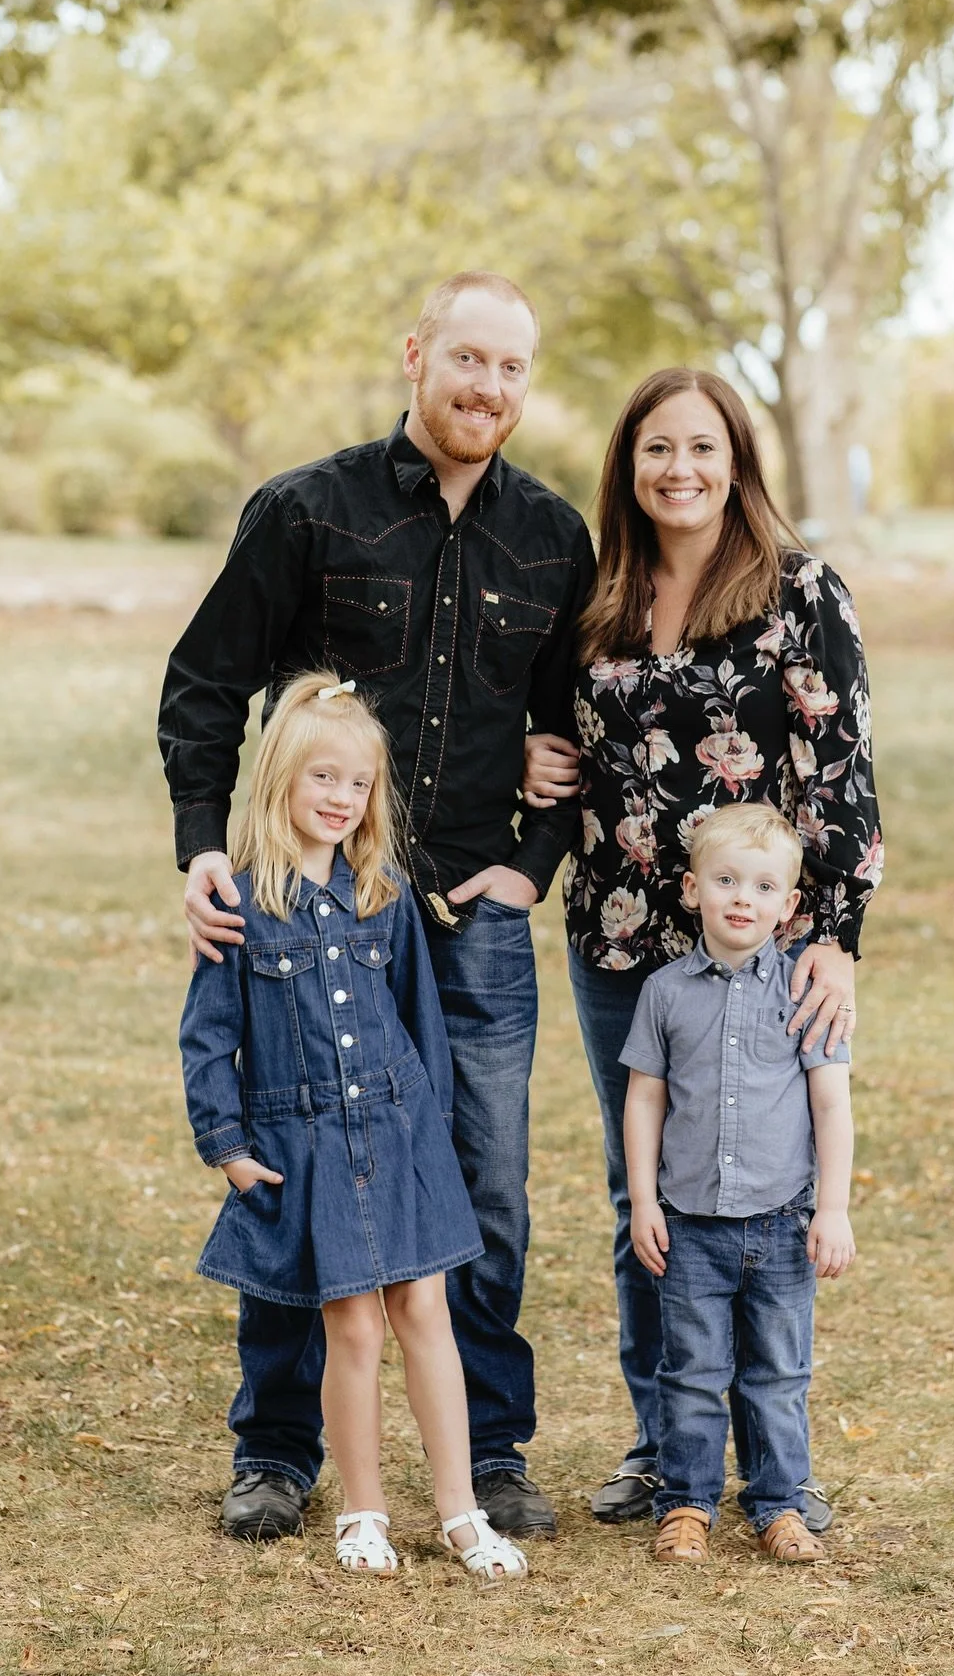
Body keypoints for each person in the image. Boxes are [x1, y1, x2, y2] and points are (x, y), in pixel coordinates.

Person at [159, 272, 594, 1542]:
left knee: (486, 1186)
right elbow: (203, 687)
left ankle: (492, 1452)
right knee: (295, 1167)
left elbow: (579, 727)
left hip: (471, 916)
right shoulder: (307, 511)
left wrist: (538, 856)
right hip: (312, 913)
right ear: (416, 356)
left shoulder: (552, 538)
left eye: (511, 368)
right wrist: (204, 847)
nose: (487, 388)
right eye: (467, 359)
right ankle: (278, 1451)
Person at [521, 366, 882, 1526]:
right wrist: (535, 760)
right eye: (656, 450)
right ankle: (664, 1453)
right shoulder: (595, 598)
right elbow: (547, 727)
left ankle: (775, 1467)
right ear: (628, 466)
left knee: (767, 1202)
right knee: (650, 1200)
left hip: (759, 954)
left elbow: (842, 776)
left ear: (739, 462)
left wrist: (835, 940)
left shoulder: (800, 592)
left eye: (703, 448)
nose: (680, 470)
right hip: (622, 944)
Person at [179, 671, 528, 1582]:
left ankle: (461, 1515)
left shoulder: (385, 896)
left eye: (359, 783)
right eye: (322, 778)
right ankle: (362, 1511)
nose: (341, 798)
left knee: (426, 1316)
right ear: (281, 783)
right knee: (355, 1332)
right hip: (308, 1149)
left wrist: (438, 1141)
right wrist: (228, 1148)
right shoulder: (242, 908)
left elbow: (422, 1025)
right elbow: (207, 1037)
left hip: (402, 1134)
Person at [621, 802, 855, 1565]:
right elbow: (646, 1098)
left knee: (778, 1373)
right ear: (692, 890)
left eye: (761, 886)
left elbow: (831, 1102)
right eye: (725, 880)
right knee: (689, 1371)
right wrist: (645, 1202)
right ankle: (686, 1502)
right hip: (690, 1225)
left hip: (782, 1224)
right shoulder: (663, 992)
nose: (741, 898)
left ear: (789, 906)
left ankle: (779, 1503)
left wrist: (835, 1209)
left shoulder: (803, 990)